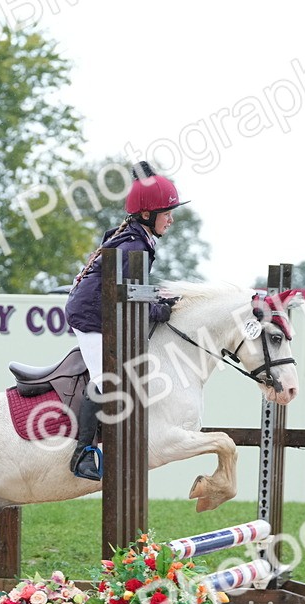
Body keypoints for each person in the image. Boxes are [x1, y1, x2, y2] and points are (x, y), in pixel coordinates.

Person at [63, 161, 188, 480]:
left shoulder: (138, 238)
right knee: (106, 381)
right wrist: (157, 309)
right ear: (147, 214)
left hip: (103, 311)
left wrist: (157, 300)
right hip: (91, 316)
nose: (171, 219)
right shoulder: (135, 244)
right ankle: (83, 454)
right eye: (166, 212)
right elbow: (128, 295)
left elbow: (134, 291)